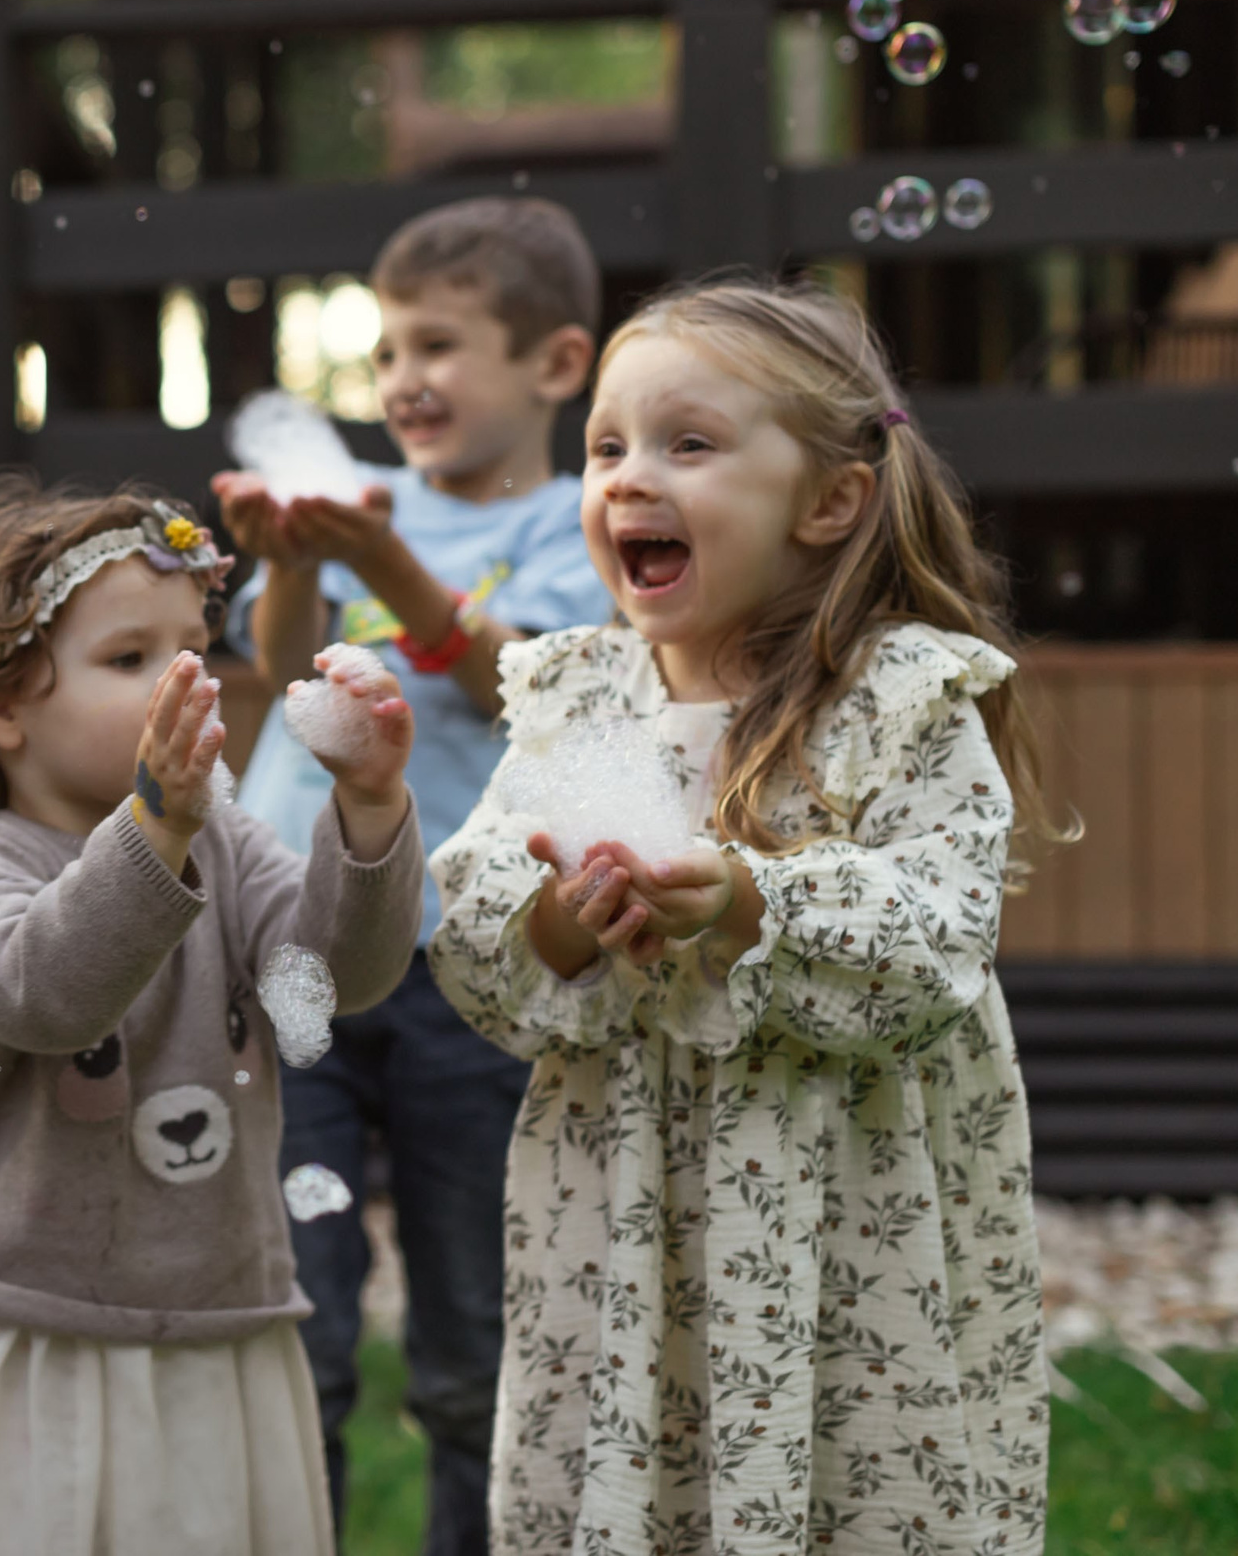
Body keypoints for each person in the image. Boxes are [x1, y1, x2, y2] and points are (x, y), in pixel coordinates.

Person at [429, 277, 1055, 1556]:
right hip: (621, 1227)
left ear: (829, 502)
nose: (628, 478)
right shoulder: (575, 698)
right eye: (606, 446)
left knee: (848, 1487)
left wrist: (745, 897)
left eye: (688, 444)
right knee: (634, 1479)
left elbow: (937, 935)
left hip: (846, 1233)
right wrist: (561, 917)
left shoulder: (900, 698)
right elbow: (481, 951)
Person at [0, 479, 427, 1556]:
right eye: (129, 659)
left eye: (194, 647)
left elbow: (328, 982)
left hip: (216, 1317)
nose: (185, 680)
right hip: (26, 1328)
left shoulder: (230, 845)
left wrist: (369, 811)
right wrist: (153, 827)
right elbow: (44, 994)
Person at [211, 196, 610, 1552]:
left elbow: (523, 687)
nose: (399, 382)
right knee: (291, 1326)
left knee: (470, 1347)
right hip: (296, 956)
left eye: (437, 345)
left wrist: (372, 547)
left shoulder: (578, 524)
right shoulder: (362, 515)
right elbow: (274, 665)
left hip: (467, 975)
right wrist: (291, 562)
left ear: (555, 364)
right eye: (384, 352)